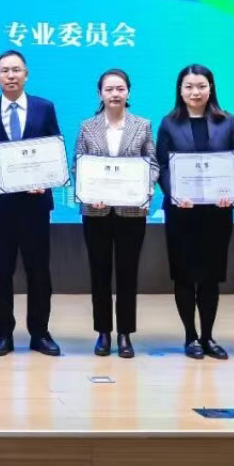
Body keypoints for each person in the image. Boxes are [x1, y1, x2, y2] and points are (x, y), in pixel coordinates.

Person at [0, 50, 63, 357]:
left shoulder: (44, 107)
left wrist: (46, 179)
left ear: (26, 74)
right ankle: (3, 334)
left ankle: (40, 333)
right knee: (1, 271)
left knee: (39, 271)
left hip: (35, 204)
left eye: (16, 70)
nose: (10, 75)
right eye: (4, 71)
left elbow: (55, 150)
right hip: (0, 206)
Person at [156, 65, 234, 360]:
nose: (195, 92)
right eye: (189, 86)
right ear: (180, 90)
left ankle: (208, 337)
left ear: (211, 88)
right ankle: (190, 336)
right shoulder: (169, 123)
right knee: (184, 276)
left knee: (210, 277)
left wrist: (232, 191)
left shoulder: (227, 121)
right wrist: (175, 193)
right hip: (182, 212)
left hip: (217, 211)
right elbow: (162, 165)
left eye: (201, 86)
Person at [74, 68, 158, 359]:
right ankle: (103, 332)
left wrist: (144, 189)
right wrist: (89, 193)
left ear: (128, 92)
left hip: (131, 211)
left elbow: (153, 164)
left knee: (127, 272)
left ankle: (125, 333)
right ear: (100, 94)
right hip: (95, 211)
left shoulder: (142, 125)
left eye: (120, 89)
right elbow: (78, 165)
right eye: (109, 89)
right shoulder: (87, 127)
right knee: (99, 272)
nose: (114, 94)